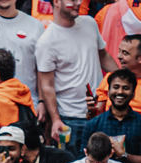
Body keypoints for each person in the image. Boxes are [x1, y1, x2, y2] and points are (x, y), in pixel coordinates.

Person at [35, 0, 118, 154]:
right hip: (70, 118)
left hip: (100, 111)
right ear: (56, 2)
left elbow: (103, 55)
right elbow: (47, 85)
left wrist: (122, 77)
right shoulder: (46, 42)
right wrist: (55, 119)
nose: (78, 2)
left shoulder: (90, 23)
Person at [82, 69, 141, 163]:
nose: (120, 92)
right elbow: (82, 161)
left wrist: (124, 155)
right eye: (116, 87)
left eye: (126, 88)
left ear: (133, 94)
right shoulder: (93, 125)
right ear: (108, 92)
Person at [94, 35, 141, 115]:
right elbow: (98, 112)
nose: (119, 56)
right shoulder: (111, 78)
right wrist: (91, 110)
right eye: (119, 51)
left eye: (125, 53)